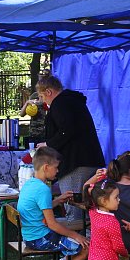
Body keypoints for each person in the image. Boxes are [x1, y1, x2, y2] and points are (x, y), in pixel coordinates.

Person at [16, 146, 89, 260]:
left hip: (30, 236)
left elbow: (38, 208)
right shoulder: (43, 189)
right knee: (86, 247)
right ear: (46, 167)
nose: (57, 171)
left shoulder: (30, 184)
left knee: (74, 240)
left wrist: (57, 200)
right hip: (41, 239)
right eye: (56, 168)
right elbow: (52, 224)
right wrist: (76, 236)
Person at [36, 74, 105, 223]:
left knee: (75, 211)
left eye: (42, 96)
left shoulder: (60, 103)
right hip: (90, 159)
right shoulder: (73, 101)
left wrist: (48, 144)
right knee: (89, 207)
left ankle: (78, 244)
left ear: (49, 92)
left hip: (75, 164)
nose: (42, 101)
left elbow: (67, 130)